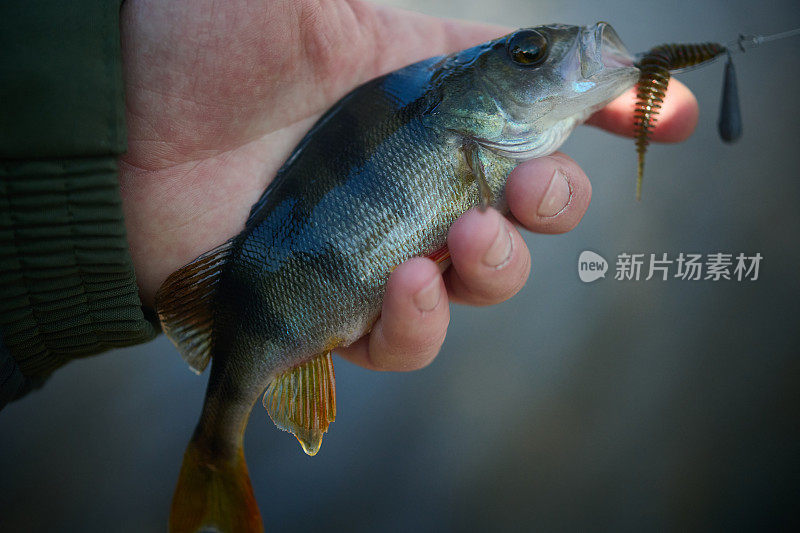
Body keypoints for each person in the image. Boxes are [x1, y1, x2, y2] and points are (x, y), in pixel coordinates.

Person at [0, 0, 698, 406]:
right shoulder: (462, 137)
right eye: (527, 55)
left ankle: (225, 427)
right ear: (470, 99)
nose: (555, 54)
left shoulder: (466, 127)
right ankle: (222, 441)